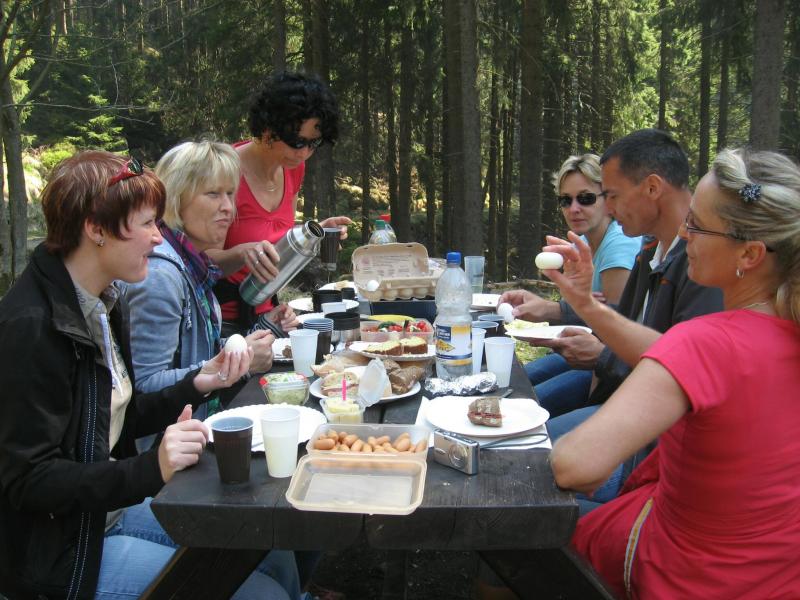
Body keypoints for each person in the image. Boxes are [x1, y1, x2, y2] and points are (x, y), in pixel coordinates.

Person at [0, 151, 294, 599]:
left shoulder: (100, 301)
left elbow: (120, 414)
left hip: (105, 509)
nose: (159, 237)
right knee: (261, 593)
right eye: (146, 224)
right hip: (59, 553)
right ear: (96, 229)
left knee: (272, 550)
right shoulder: (33, 327)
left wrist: (203, 380)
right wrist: (151, 467)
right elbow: (29, 480)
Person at [549, 148, 800, 599]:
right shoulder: (767, 332)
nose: (684, 232)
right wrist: (585, 304)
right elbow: (678, 358)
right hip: (778, 575)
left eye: (698, 225)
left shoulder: (706, 341)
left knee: (516, 534)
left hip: (689, 575)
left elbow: (576, 467)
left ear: (750, 253)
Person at [124, 141, 275, 422]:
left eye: (230, 194)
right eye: (213, 194)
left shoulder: (193, 263)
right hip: (168, 443)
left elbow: (194, 353)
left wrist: (253, 340)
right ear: (176, 199)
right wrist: (237, 364)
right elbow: (144, 388)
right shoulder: (161, 275)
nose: (228, 207)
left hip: (196, 428)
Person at [207, 71, 352, 336]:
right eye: (296, 142)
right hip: (220, 323)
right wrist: (241, 253)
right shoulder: (224, 172)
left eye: (313, 143)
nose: (304, 153)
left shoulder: (293, 170)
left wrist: (314, 234)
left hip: (268, 316)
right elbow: (199, 261)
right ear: (268, 129)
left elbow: (275, 238)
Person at [499, 154, 641, 415]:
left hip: (613, 369)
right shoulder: (583, 243)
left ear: (608, 199)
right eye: (566, 200)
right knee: (512, 382)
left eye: (585, 198)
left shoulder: (619, 246)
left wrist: (555, 311)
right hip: (590, 354)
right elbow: (587, 310)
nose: (574, 208)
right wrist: (547, 308)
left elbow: (614, 330)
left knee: (520, 406)